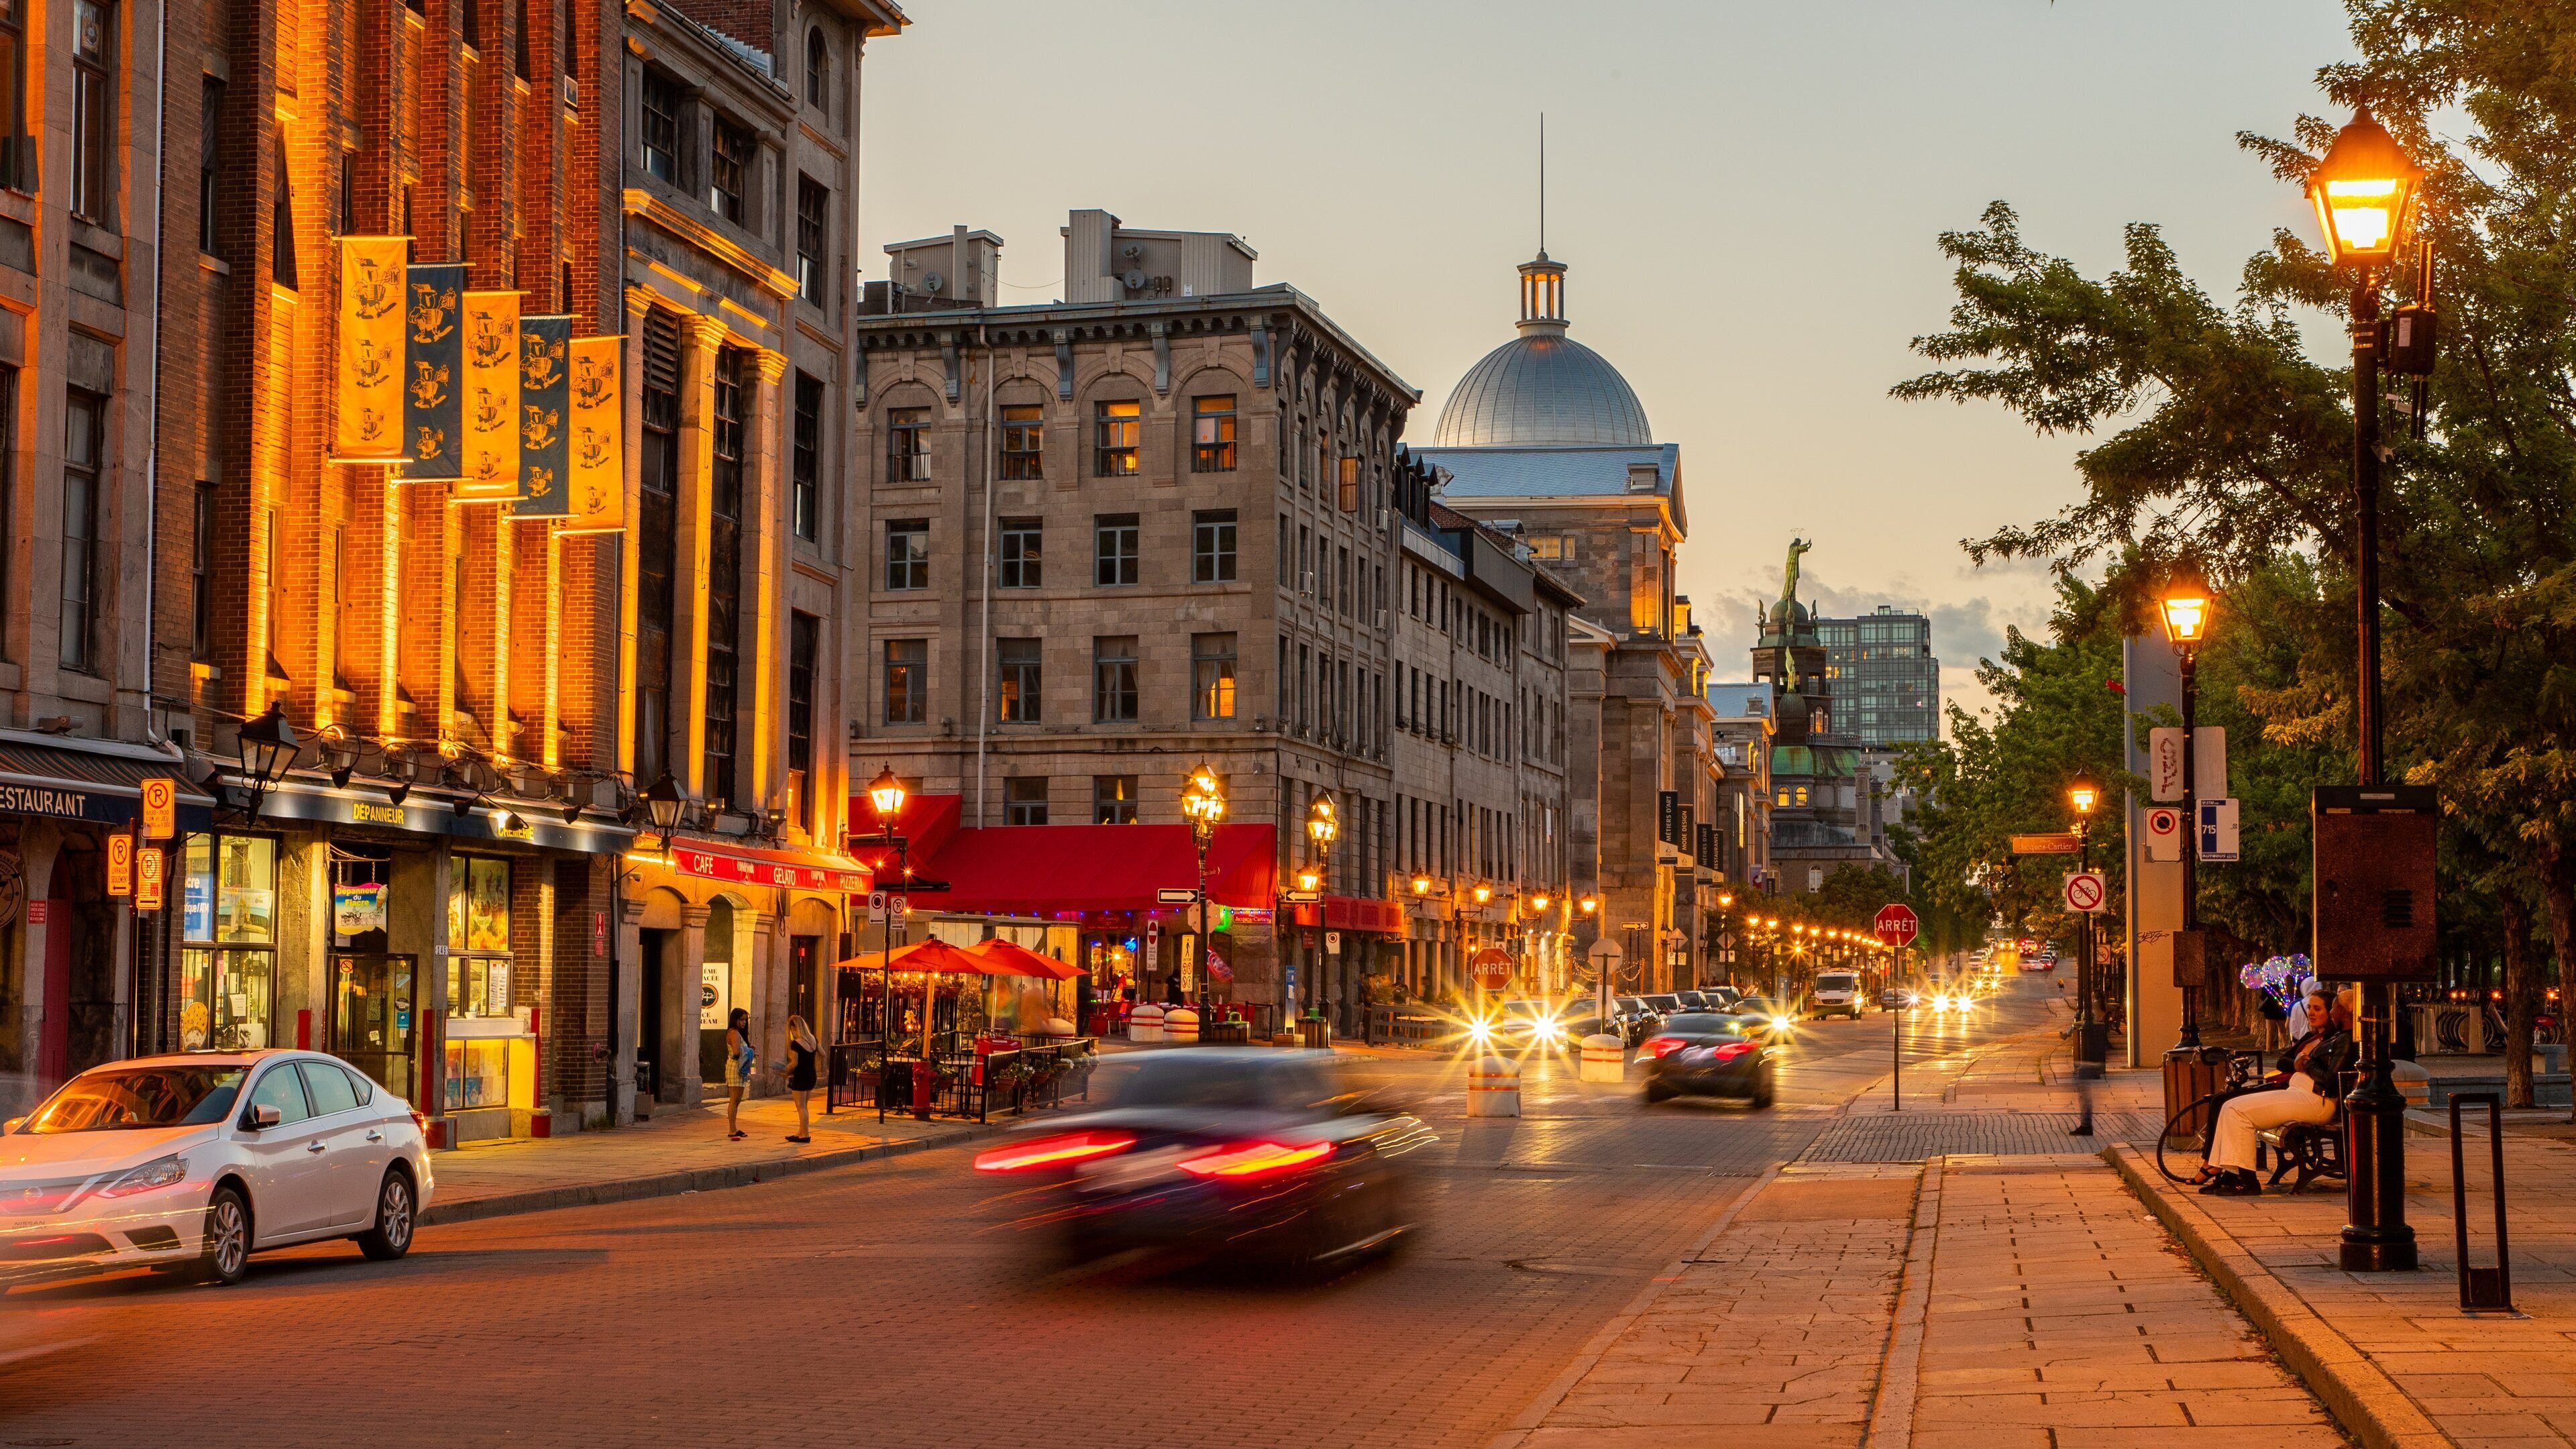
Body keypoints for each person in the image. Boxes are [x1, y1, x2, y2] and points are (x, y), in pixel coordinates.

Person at [2198, 987, 2357, 1195]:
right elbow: (2290, 1061)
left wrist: (2306, 1063)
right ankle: (2230, 1174)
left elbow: (2330, 1079)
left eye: (2333, 1007)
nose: (2332, 1011)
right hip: (2300, 1094)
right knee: (2229, 1105)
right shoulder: (2330, 1039)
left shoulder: (2344, 1040)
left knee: (2238, 1112)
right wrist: (2302, 1063)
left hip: (2316, 1100)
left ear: (2343, 1012)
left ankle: (2247, 1181)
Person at [782, 1014, 819, 1144]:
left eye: (791, 1029)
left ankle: (805, 1134)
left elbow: (794, 1063)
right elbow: (823, 1053)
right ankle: (801, 1131)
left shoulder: (796, 1044)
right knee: (805, 1106)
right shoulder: (813, 1039)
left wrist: (784, 1070)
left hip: (801, 1076)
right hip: (811, 1075)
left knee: (801, 1107)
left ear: (793, 1028)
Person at [722, 1007, 755, 1141]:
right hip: (735, 1068)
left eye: (745, 1020)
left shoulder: (737, 1033)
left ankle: (734, 1128)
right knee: (734, 1101)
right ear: (735, 1020)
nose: (743, 1023)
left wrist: (749, 1049)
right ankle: (732, 1129)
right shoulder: (734, 1033)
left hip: (738, 1068)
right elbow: (736, 1052)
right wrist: (748, 1051)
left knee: (737, 1100)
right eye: (741, 1020)